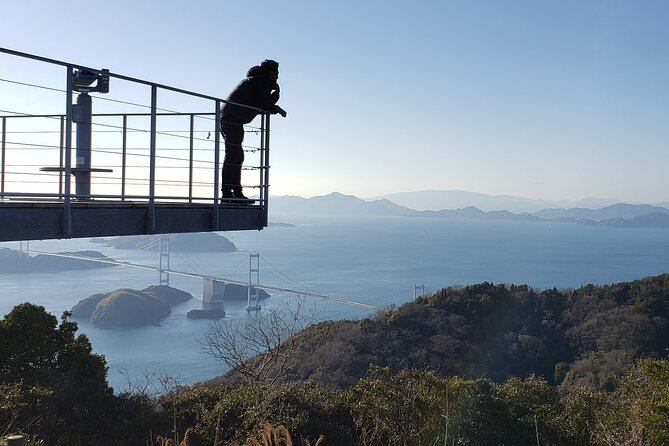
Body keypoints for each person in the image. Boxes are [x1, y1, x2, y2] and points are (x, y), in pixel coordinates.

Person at [220, 59, 287, 202]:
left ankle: (234, 193)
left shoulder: (255, 80)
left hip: (232, 119)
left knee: (236, 156)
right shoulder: (260, 81)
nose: (278, 76)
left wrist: (272, 103)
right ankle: (229, 194)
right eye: (277, 72)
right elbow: (266, 103)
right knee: (234, 156)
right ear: (271, 72)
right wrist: (276, 92)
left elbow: (260, 103)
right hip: (232, 119)